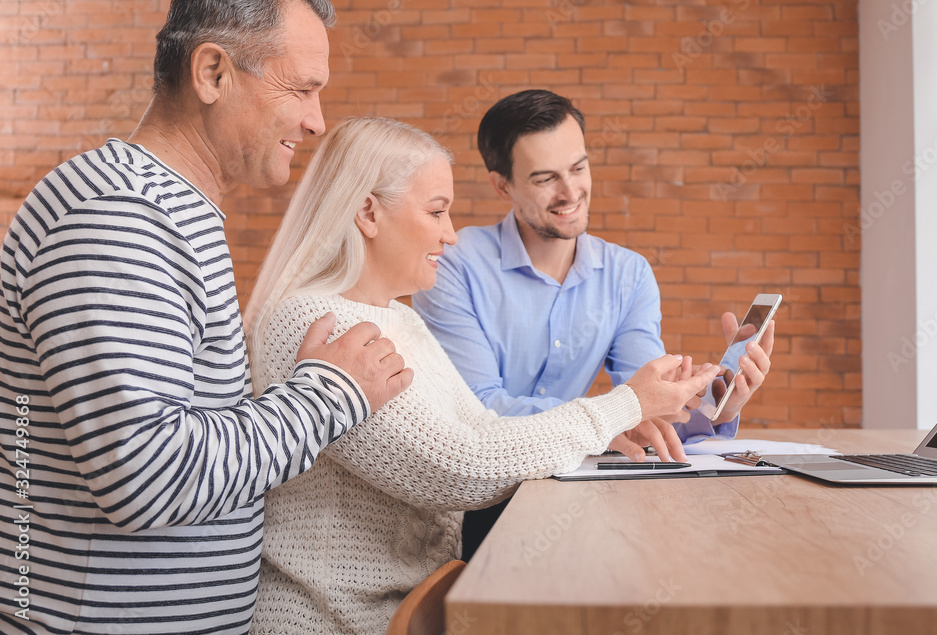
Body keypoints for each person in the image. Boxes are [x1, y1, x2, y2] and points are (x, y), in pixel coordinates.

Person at [0, 2, 412, 633]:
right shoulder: (117, 218)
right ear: (214, 73)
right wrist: (330, 395)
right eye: (302, 89)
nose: (315, 121)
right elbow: (149, 478)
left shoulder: (165, 210)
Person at [244, 116, 718, 635]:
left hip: (414, 604)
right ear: (367, 212)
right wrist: (622, 407)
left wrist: (624, 419)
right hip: (335, 622)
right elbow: (461, 468)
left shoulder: (401, 319)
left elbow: (485, 427)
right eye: (436, 212)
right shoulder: (316, 322)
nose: (450, 235)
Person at [411, 89, 775, 558]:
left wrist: (715, 403)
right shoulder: (453, 263)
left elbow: (646, 410)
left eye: (578, 168)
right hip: (481, 501)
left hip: (578, 493)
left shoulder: (628, 274)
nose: (570, 193)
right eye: (545, 179)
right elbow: (479, 413)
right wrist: (611, 420)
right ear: (502, 186)